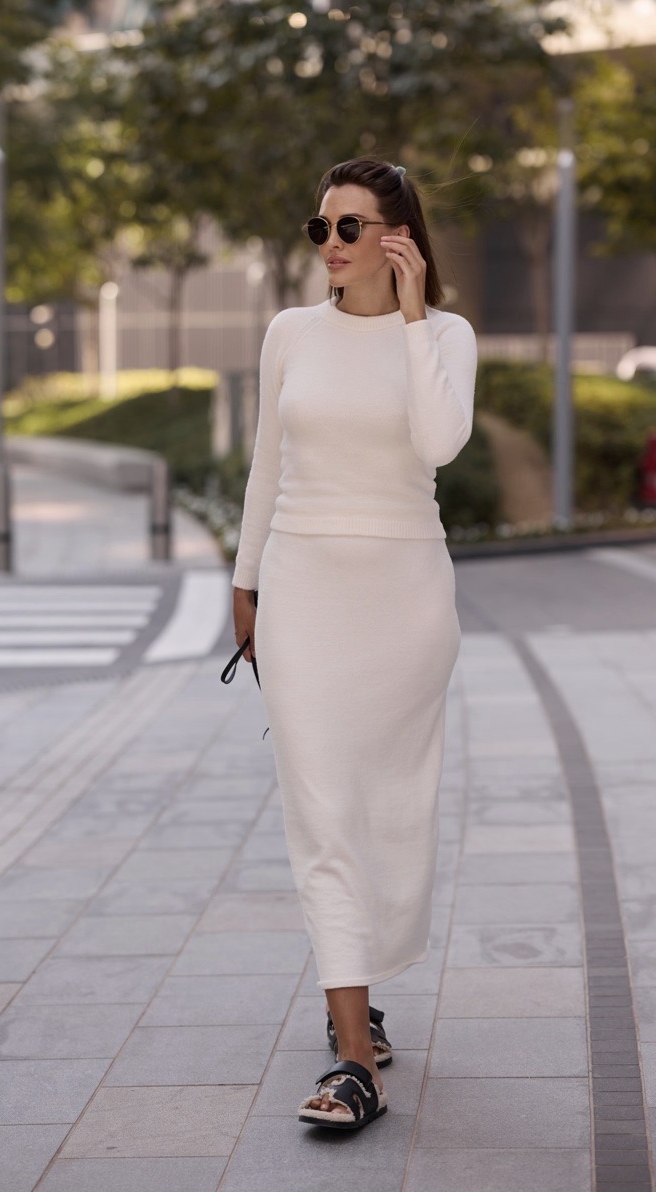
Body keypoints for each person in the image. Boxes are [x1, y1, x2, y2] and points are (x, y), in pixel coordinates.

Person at [231, 157, 477, 1130]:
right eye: (320, 228)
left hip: (405, 602)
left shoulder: (446, 335)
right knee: (321, 813)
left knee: (387, 814)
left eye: (348, 227)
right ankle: (352, 1059)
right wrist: (245, 581)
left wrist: (412, 319)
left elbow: (439, 442)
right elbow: (266, 465)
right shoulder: (290, 333)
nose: (328, 244)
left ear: (396, 237)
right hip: (300, 592)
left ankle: (360, 982)